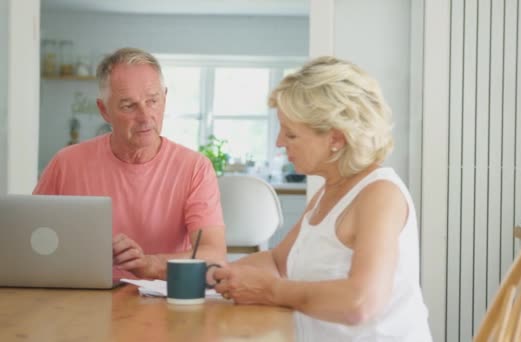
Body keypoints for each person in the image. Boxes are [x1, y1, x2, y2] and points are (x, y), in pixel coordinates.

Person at [213, 56, 432, 341]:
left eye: (291, 134)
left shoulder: (380, 194)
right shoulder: (329, 192)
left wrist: (271, 291)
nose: (279, 142)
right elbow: (278, 262)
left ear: (336, 139)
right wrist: (207, 274)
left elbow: (361, 301)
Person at [34, 47, 227, 280]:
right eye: (129, 105)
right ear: (104, 110)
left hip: (164, 300)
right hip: (82, 296)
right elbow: (31, 240)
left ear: (165, 98)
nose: (145, 117)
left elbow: (214, 254)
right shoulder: (66, 163)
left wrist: (151, 264)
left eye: (153, 101)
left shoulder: (195, 168)